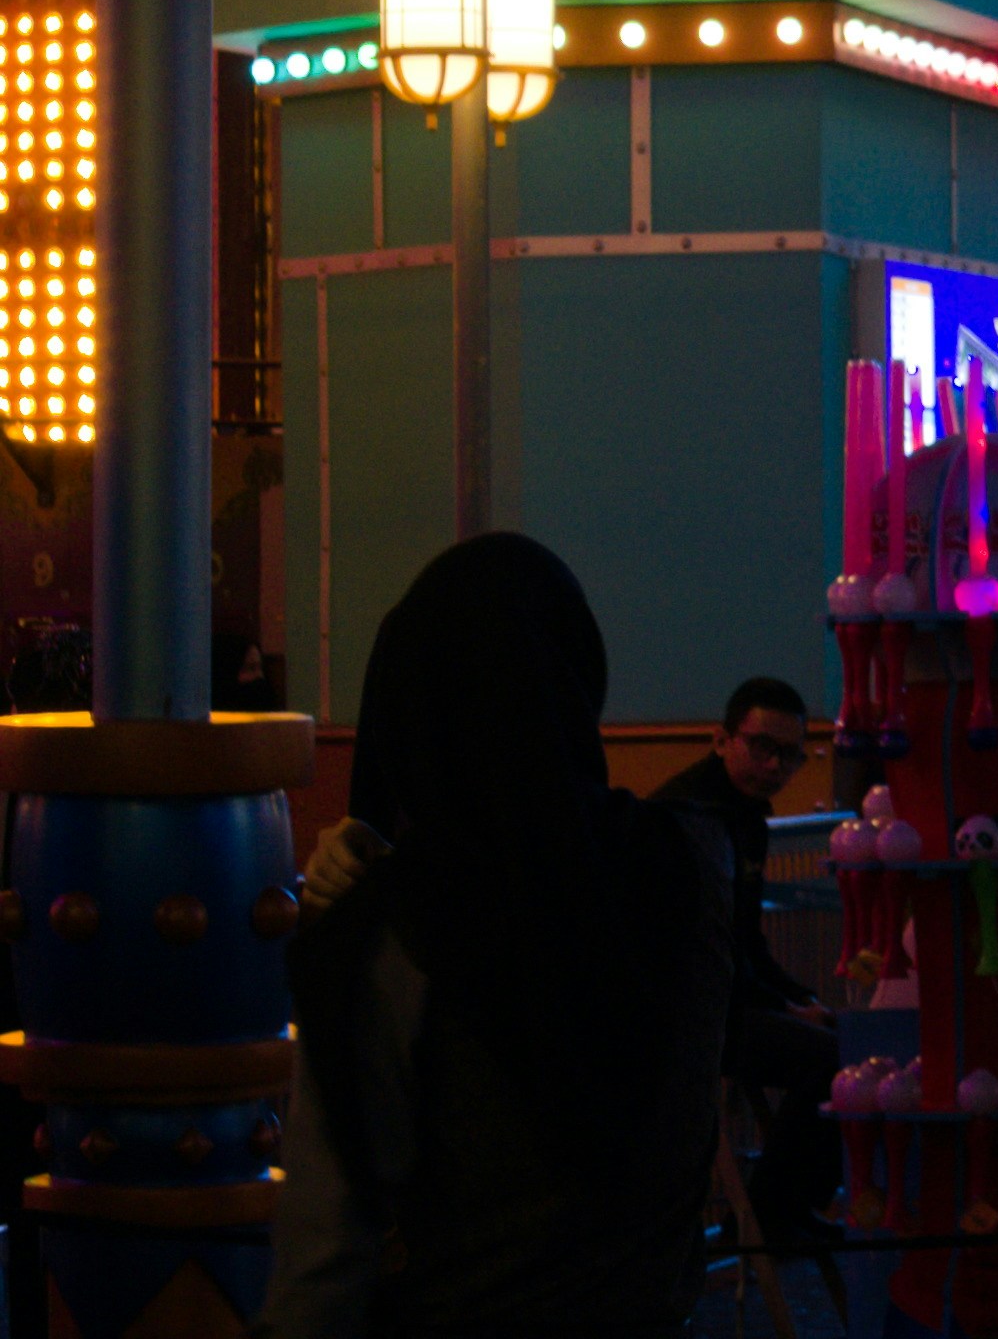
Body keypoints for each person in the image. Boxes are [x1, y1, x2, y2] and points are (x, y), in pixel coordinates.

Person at [264, 535, 731, 1339]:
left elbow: (321, 1264)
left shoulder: (388, 939)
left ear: (414, 708)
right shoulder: (693, 864)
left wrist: (354, 914)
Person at [651, 676, 837, 1240]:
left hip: (720, 1001)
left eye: (788, 755)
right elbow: (697, 953)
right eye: (762, 747)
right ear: (721, 738)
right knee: (832, 1063)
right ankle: (768, 1221)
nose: (775, 765)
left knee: (841, 1048)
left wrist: (798, 998)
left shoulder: (744, 817)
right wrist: (783, 1004)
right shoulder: (688, 818)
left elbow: (744, 943)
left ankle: (775, 1214)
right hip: (682, 1015)